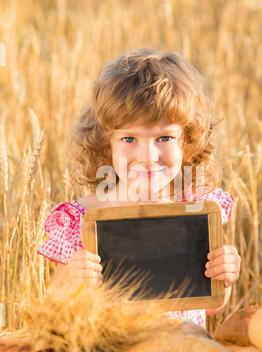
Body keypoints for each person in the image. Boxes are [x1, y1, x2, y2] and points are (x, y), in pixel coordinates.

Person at [38, 48, 241, 328]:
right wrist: (67, 282)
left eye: (164, 138)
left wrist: (224, 276)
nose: (148, 156)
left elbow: (211, 305)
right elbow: (53, 311)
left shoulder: (196, 211)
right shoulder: (84, 220)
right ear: (107, 143)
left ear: (187, 140)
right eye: (130, 138)